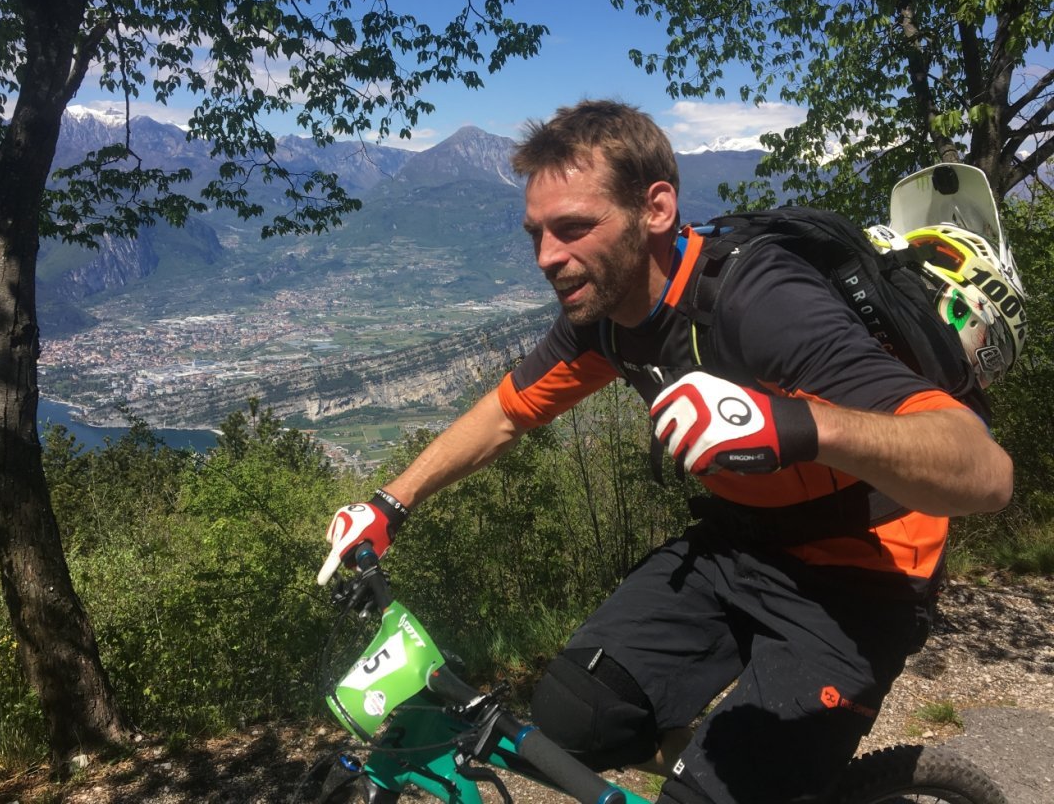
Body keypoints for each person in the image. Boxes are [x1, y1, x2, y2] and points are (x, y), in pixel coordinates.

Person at [316, 100, 1014, 803]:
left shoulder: (762, 303)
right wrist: (389, 502)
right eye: (537, 235)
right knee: (572, 718)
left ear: (655, 209)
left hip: (864, 571)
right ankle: (735, 774)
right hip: (739, 546)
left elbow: (983, 469)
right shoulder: (606, 319)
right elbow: (504, 412)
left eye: (574, 228)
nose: (548, 258)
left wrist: (797, 425)